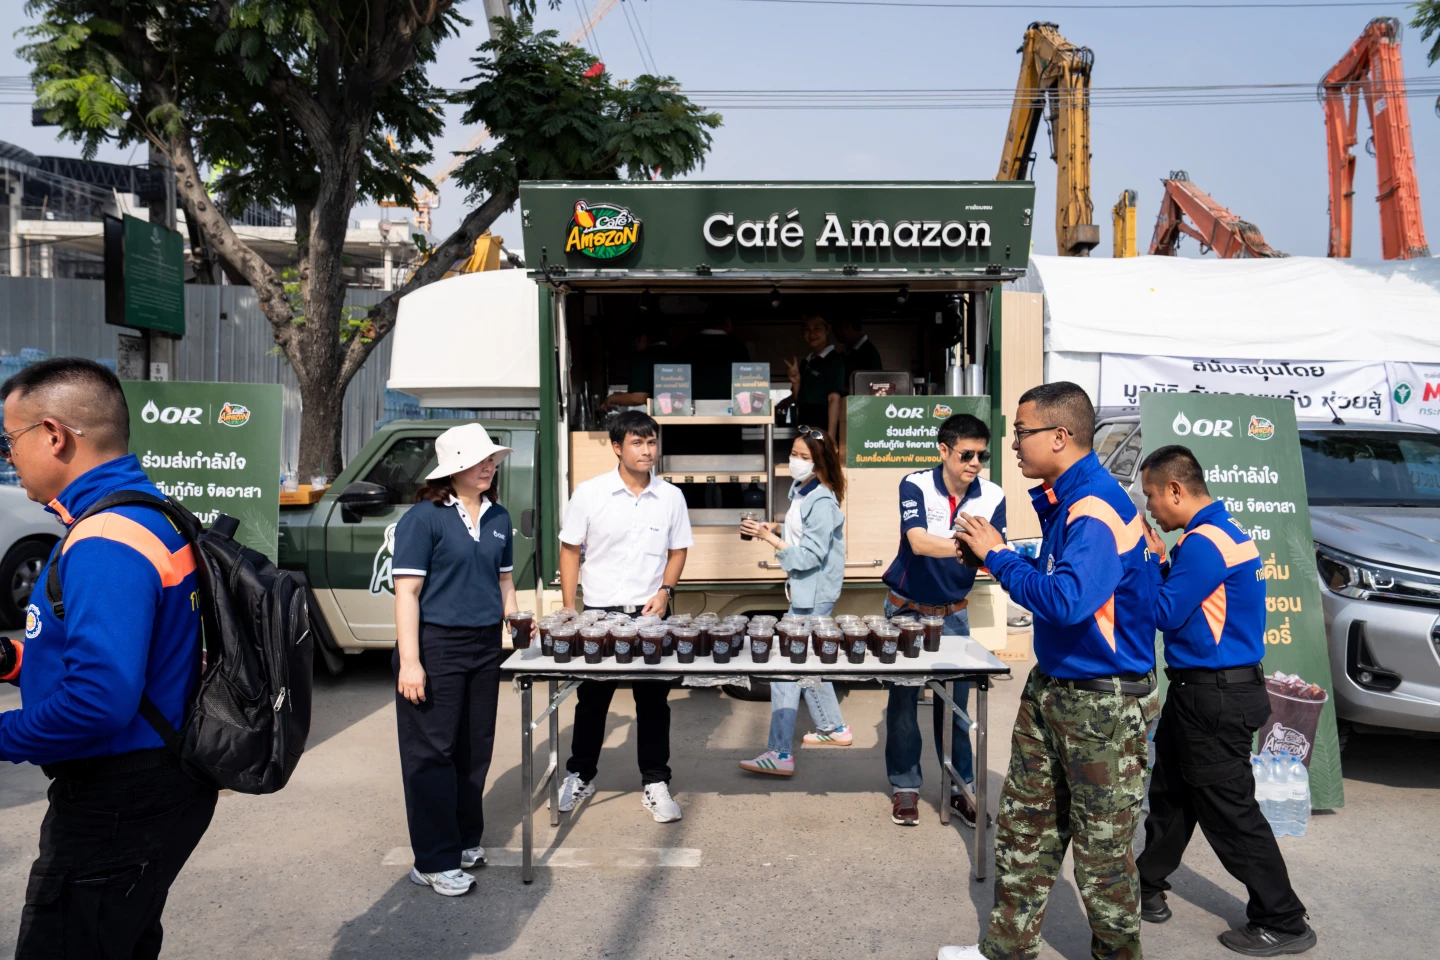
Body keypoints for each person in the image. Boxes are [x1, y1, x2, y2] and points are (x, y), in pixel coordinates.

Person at [0, 358, 213, 959]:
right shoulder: (150, 515)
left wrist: (4, 733)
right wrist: (15, 663)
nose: (8, 455)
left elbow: (99, 701)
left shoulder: (105, 539)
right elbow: (144, 656)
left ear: (53, 434)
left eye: (9, 439)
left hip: (117, 800)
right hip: (158, 785)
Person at [945, 381, 1159, 960]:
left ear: (1060, 437)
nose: (1012, 445)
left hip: (1100, 705)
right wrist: (1001, 555)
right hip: (1058, 689)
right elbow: (1060, 582)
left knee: (1101, 858)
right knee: (1024, 829)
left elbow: (1066, 601)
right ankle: (1006, 949)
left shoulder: (1093, 509)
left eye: (1021, 433)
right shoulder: (1071, 500)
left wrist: (995, 555)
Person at [1135, 445, 1316, 956]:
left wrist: (1149, 559)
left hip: (1214, 698)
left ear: (1175, 489)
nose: (1149, 508)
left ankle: (1283, 919)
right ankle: (1147, 885)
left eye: (1151, 496)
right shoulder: (1226, 530)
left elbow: (1166, 613)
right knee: (1171, 792)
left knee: (1230, 812)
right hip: (1207, 691)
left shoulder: (1204, 543)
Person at [390, 423, 517, 897]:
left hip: (485, 645)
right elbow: (408, 592)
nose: (489, 466)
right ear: (454, 470)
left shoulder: (499, 516)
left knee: (473, 749)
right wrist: (411, 661)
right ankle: (432, 860)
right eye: (479, 460)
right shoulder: (423, 519)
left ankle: (464, 841)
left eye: (491, 460)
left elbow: (504, 582)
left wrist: (517, 625)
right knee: (432, 753)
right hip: (436, 644)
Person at [555, 410, 692, 822]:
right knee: (592, 699)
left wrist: (666, 591)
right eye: (637, 443)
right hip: (600, 614)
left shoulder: (671, 497)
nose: (647, 450)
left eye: (651, 442)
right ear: (617, 447)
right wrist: (568, 608)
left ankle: (655, 782)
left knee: (653, 700)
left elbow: (678, 549)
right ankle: (580, 775)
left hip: (650, 615)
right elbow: (570, 550)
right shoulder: (590, 493)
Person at [881, 413, 1004, 828]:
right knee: (902, 705)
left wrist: (982, 550)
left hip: (954, 615)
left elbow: (994, 551)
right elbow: (917, 542)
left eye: (981, 455)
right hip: (905, 610)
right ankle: (906, 787)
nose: (974, 462)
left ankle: (958, 790)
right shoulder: (914, 483)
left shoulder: (993, 495)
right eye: (966, 454)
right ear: (944, 451)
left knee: (957, 709)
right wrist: (971, 546)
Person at [738, 426, 852, 776]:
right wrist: (774, 527)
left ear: (820, 462)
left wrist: (768, 540)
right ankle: (834, 728)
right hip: (808, 593)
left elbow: (808, 557)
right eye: (795, 454)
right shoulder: (804, 491)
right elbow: (800, 530)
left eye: (805, 457)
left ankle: (779, 752)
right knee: (809, 663)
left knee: (785, 669)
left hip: (812, 595)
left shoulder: (822, 500)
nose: (796, 462)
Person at [781, 314, 847, 440]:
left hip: (822, 427)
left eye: (817, 328)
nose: (811, 334)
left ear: (827, 330)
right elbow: (798, 400)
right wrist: (796, 382)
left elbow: (834, 399)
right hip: (805, 426)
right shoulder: (806, 362)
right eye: (807, 329)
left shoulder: (834, 360)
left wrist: (831, 438)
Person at [603, 323, 674, 411]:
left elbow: (639, 398)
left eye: (635, 342)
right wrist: (623, 396)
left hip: (664, 416)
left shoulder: (645, 357)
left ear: (643, 338)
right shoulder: (677, 354)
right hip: (688, 415)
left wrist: (610, 399)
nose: (636, 346)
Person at [680, 316, 751, 401]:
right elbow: (745, 382)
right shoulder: (739, 348)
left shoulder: (686, 346)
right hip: (729, 406)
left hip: (693, 406)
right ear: (728, 322)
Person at [836, 317, 883, 382]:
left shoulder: (868, 353)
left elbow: (871, 386)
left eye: (836, 328)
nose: (835, 333)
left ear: (847, 326)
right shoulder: (848, 351)